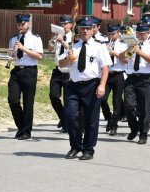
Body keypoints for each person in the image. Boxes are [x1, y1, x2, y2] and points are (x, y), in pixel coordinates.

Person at [60, 16, 112, 160]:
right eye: (82, 28)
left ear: (93, 30)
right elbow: (61, 65)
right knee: (70, 116)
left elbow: (105, 67)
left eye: (88, 28)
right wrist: (66, 58)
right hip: (73, 86)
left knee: (91, 120)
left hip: (91, 85)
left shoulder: (99, 46)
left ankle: (88, 149)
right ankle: (75, 146)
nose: (85, 31)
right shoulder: (73, 46)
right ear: (78, 29)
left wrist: (102, 85)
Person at [119, 23, 150, 144]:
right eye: (139, 33)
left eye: (143, 33)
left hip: (146, 79)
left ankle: (143, 133)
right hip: (131, 78)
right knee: (128, 106)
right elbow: (122, 58)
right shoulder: (130, 44)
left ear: (148, 33)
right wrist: (128, 49)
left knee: (145, 109)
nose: (141, 35)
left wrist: (140, 52)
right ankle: (134, 128)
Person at [7, 14, 43, 140]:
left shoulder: (35, 38)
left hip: (30, 71)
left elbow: (39, 56)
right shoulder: (13, 39)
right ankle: (22, 127)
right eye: (18, 24)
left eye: (23, 24)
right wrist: (11, 54)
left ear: (28, 24)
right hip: (16, 71)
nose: (20, 26)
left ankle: (26, 131)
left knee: (28, 102)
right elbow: (12, 56)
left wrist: (24, 48)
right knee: (13, 100)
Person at [101, 24, 129, 136]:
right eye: (109, 34)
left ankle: (114, 126)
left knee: (117, 102)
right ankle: (109, 119)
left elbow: (127, 60)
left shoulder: (124, 45)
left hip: (118, 75)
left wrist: (115, 54)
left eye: (113, 34)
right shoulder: (104, 44)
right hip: (107, 74)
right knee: (102, 99)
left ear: (118, 33)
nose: (111, 36)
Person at [48, 15, 73, 133]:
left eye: (65, 24)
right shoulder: (58, 36)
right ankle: (63, 117)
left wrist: (62, 41)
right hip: (58, 70)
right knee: (53, 96)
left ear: (70, 25)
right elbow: (50, 50)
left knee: (68, 99)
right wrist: (52, 40)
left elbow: (72, 50)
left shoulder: (74, 36)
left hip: (68, 71)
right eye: (61, 24)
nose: (63, 26)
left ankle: (67, 124)